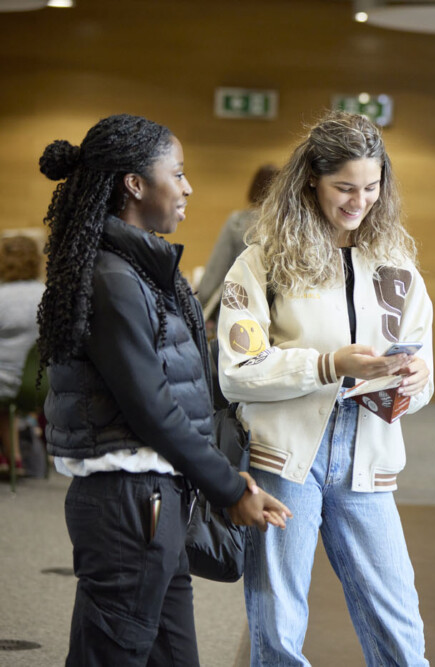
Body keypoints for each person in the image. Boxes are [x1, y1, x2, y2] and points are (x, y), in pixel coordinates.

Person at [36, 113, 290, 666]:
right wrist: (229, 486)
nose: (188, 187)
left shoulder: (139, 269)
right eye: (177, 173)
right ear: (135, 184)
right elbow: (153, 407)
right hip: (131, 503)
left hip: (158, 495)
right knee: (112, 654)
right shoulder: (113, 278)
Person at [217, 110, 433, 665]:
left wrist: (417, 379)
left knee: (398, 618)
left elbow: (418, 366)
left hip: (369, 455)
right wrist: (329, 364)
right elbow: (238, 371)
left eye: (371, 188)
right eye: (344, 188)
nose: (358, 202)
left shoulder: (398, 263)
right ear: (311, 179)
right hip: (282, 458)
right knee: (279, 623)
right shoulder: (261, 259)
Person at [197, 164, 278, 325]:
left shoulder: (238, 222)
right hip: (275, 314)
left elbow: (215, 271)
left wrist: (200, 303)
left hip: (237, 309)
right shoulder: (287, 227)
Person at [0, 235, 45, 474]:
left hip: (8, 383)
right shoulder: (49, 296)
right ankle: (14, 458)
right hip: (44, 386)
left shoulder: (2, 297)